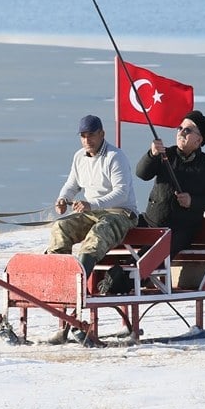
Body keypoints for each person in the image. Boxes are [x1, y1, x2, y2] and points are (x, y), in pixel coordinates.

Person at [46, 114, 139, 342]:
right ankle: (62, 285)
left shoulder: (115, 157)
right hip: (91, 212)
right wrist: (63, 198)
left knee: (97, 235)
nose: (87, 140)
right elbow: (72, 184)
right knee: (60, 228)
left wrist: (92, 204)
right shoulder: (79, 157)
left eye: (92, 135)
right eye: (83, 136)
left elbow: (121, 193)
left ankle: (78, 292)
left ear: (102, 134)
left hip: (121, 214)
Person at [135, 110, 205, 256]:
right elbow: (142, 174)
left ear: (199, 140)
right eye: (180, 128)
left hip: (181, 231)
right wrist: (152, 154)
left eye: (188, 130)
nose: (181, 132)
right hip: (151, 223)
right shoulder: (165, 154)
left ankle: (127, 278)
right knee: (118, 228)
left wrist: (192, 201)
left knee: (146, 259)